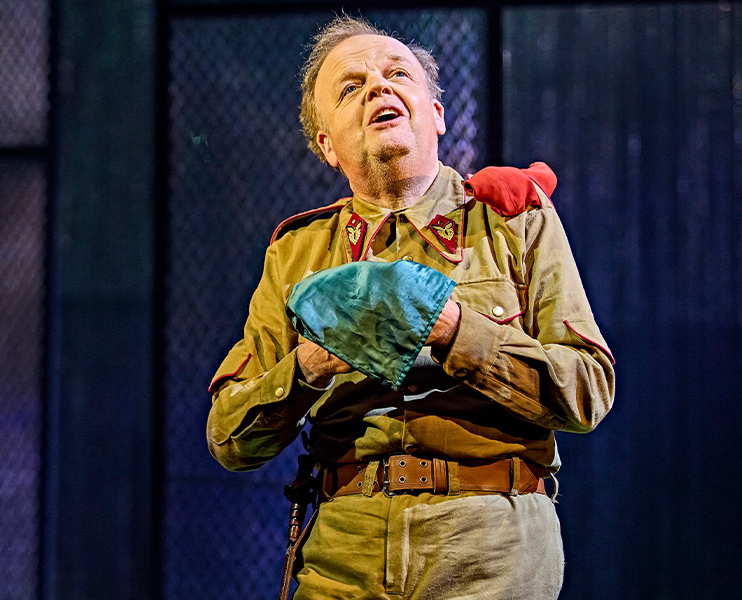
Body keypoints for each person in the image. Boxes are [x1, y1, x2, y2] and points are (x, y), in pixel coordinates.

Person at [206, 15, 616, 600]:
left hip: (489, 552)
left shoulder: (513, 220)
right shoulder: (298, 255)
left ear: (438, 114)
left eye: (398, 74)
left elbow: (588, 390)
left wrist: (454, 331)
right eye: (351, 88)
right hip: (342, 558)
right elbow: (229, 438)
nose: (378, 87)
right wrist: (313, 366)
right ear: (326, 145)